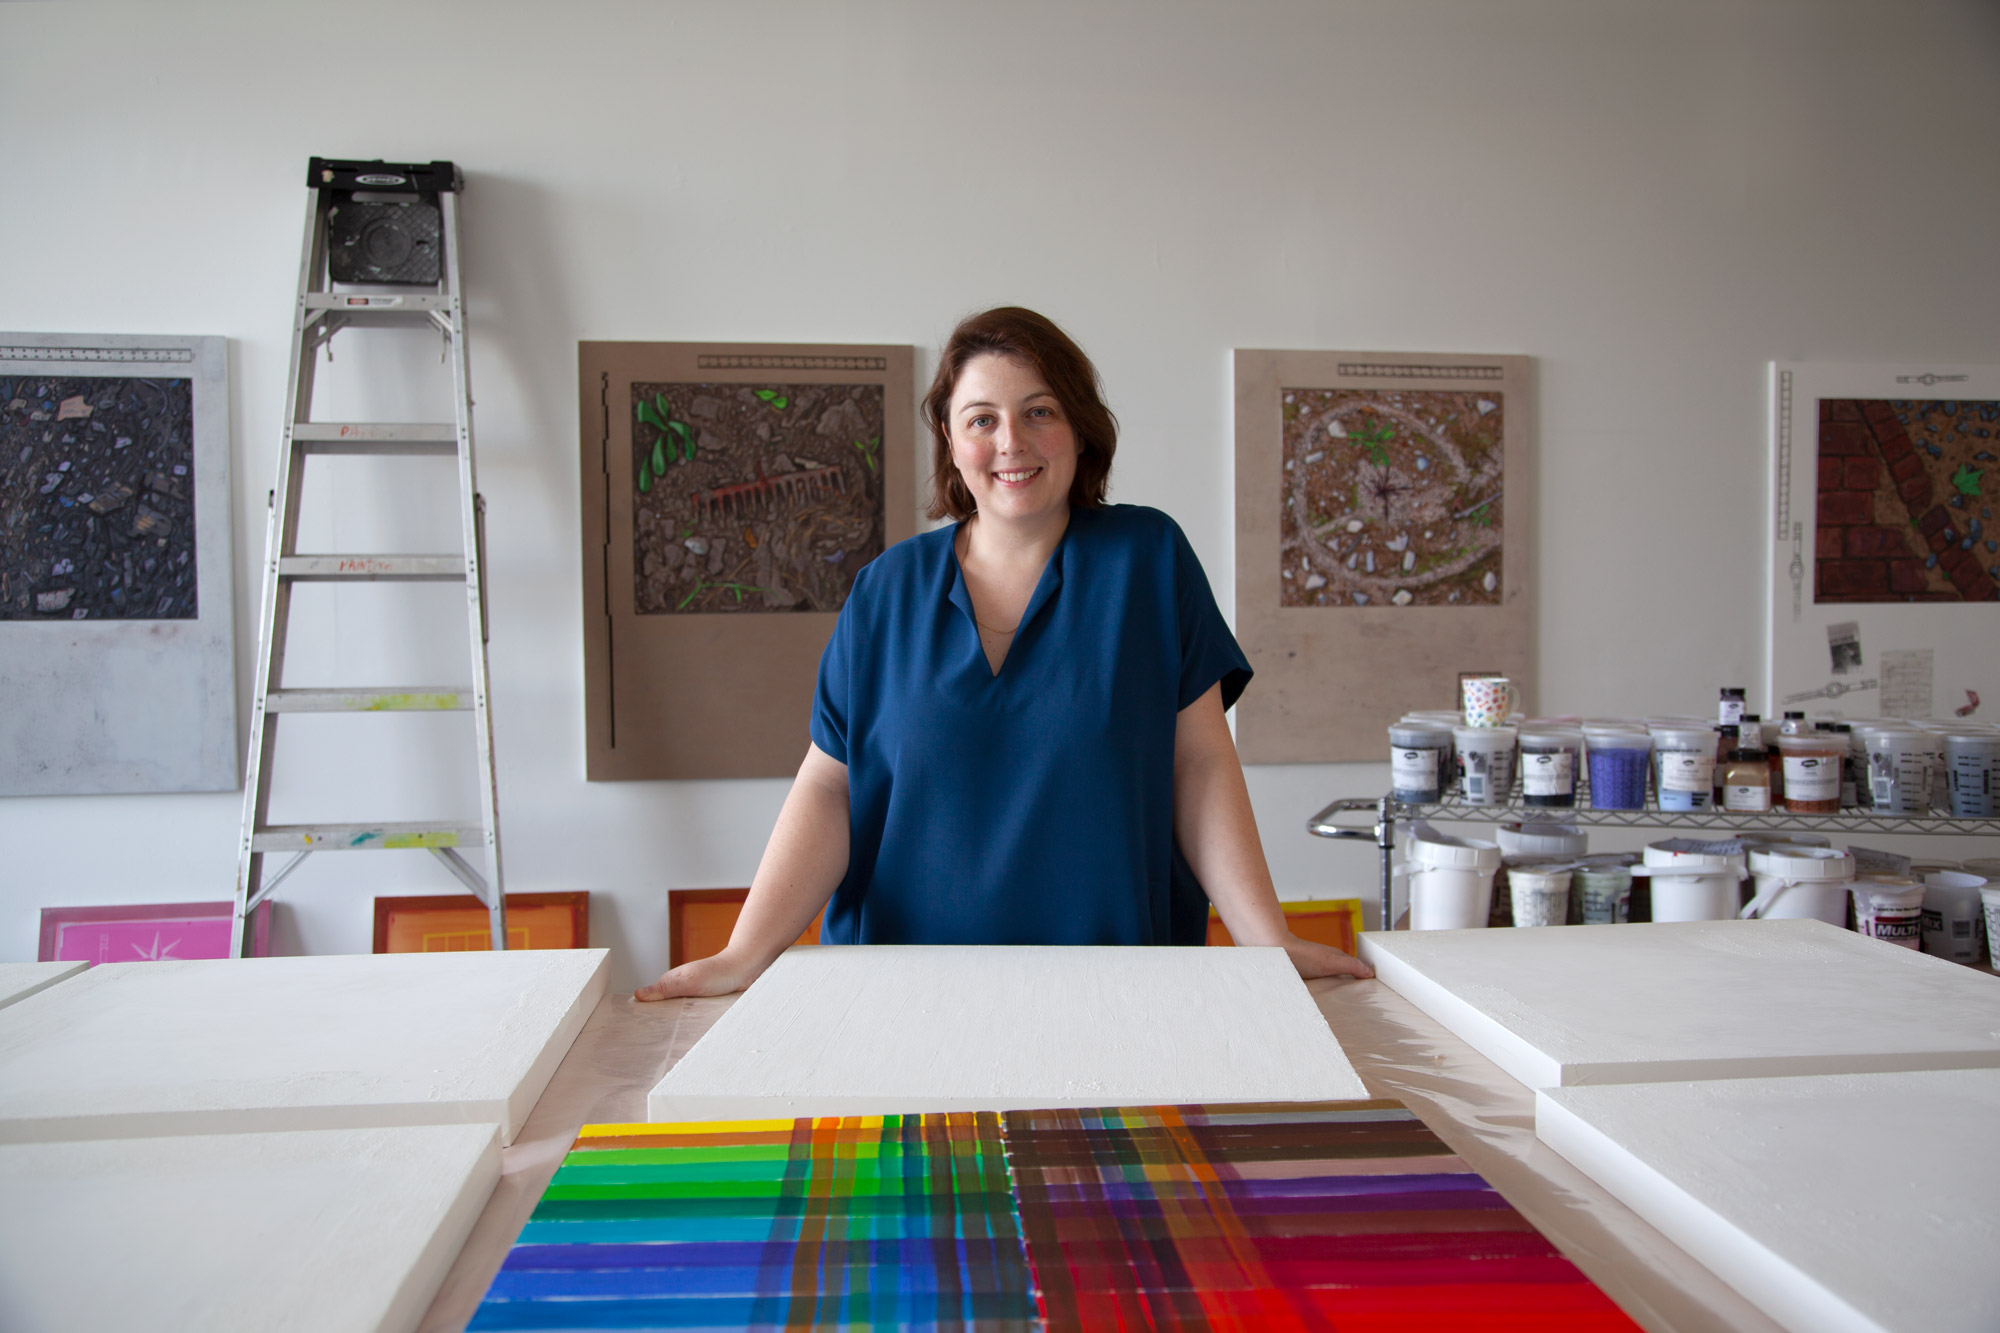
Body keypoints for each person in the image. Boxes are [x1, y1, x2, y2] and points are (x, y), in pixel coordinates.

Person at [637, 307, 1372, 1000]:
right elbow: (831, 789)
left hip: (1121, 991)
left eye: (1039, 411)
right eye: (982, 419)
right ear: (952, 444)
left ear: (1080, 429)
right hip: (899, 996)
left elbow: (1200, 763)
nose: (1011, 441)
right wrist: (743, 953)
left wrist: (1264, 939)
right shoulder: (884, 591)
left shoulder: (1148, 561)